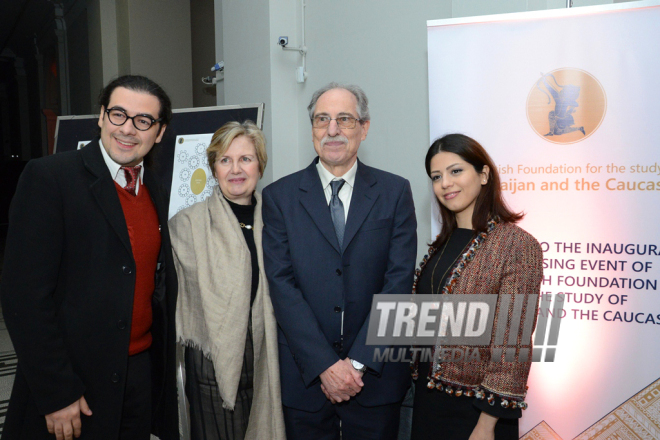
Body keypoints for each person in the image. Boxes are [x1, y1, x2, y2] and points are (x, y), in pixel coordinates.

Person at [0, 75, 179, 440]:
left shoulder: (155, 188)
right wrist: (57, 392)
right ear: (100, 117)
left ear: (159, 133)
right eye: (118, 114)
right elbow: (24, 299)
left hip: (139, 377)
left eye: (143, 120)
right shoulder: (50, 178)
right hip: (75, 383)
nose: (128, 129)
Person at [262, 83, 417, 440]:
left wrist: (358, 361)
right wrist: (325, 366)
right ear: (313, 129)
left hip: (375, 375)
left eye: (344, 119)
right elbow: (282, 287)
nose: (332, 130)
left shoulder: (394, 192)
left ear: (364, 128)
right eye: (322, 120)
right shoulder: (279, 197)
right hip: (306, 377)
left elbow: (398, 284)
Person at [410, 134, 543, 440]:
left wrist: (486, 425)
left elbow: (513, 346)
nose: (445, 183)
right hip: (428, 403)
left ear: (483, 174)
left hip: (478, 413)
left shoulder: (516, 245)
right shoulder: (442, 243)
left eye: (456, 171)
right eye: (436, 176)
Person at [169, 121, 285, 440]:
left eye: (245, 159)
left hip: (268, 357)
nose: (236, 169)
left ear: (260, 165)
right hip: (212, 366)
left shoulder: (279, 223)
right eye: (225, 160)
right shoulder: (185, 226)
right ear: (213, 168)